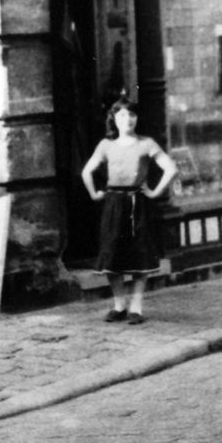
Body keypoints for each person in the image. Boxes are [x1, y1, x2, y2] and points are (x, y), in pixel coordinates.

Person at [80, 97, 178, 325]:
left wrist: (154, 192)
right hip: (113, 203)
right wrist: (94, 194)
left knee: (139, 254)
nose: (128, 119)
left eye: (132, 114)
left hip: (137, 204)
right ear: (114, 119)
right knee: (112, 254)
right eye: (122, 115)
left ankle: (136, 306)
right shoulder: (106, 145)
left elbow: (171, 168)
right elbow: (86, 172)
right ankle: (119, 304)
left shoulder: (146, 143)